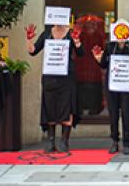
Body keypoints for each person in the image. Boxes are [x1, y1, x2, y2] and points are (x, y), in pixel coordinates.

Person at [26, 22, 85, 153]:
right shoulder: (47, 33)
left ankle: (64, 141)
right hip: (50, 76)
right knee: (50, 107)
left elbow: (81, 53)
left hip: (67, 77)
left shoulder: (70, 34)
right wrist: (29, 40)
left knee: (67, 107)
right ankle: (51, 141)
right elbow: (33, 51)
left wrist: (77, 41)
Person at [92, 38, 129, 154]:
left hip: (126, 85)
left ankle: (127, 143)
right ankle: (114, 141)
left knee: (126, 113)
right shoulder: (109, 46)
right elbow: (104, 65)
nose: (121, 38)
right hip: (112, 85)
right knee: (113, 114)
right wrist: (98, 58)